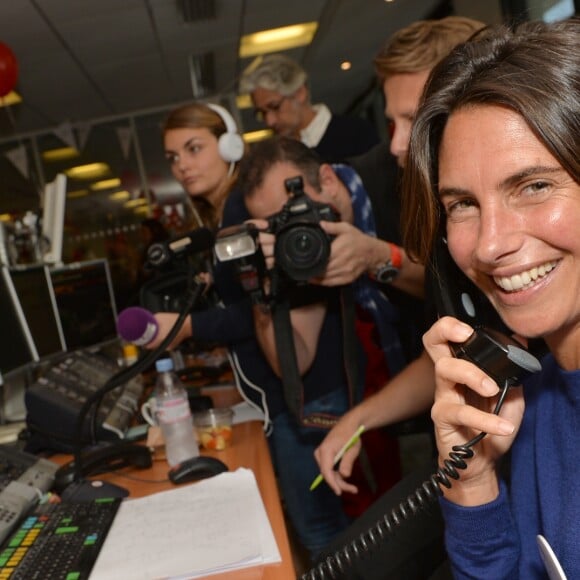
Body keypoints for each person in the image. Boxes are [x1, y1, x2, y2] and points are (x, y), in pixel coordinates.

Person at [401, 18, 579, 579]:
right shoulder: (535, 401)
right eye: (462, 204)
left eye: (534, 186)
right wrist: (473, 481)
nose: (490, 244)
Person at [315, 14, 484, 499]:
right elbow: (462, 348)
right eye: (393, 122)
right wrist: (360, 418)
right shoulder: (446, 221)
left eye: (413, 120)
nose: (394, 144)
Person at [239, 53, 379, 163]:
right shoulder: (278, 156)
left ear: (300, 93)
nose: (269, 121)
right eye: (262, 113)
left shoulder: (356, 134)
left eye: (275, 107)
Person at [162, 101, 244, 229]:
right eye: (173, 158)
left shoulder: (251, 207)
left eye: (194, 149)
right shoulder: (211, 219)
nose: (182, 166)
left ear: (228, 147)